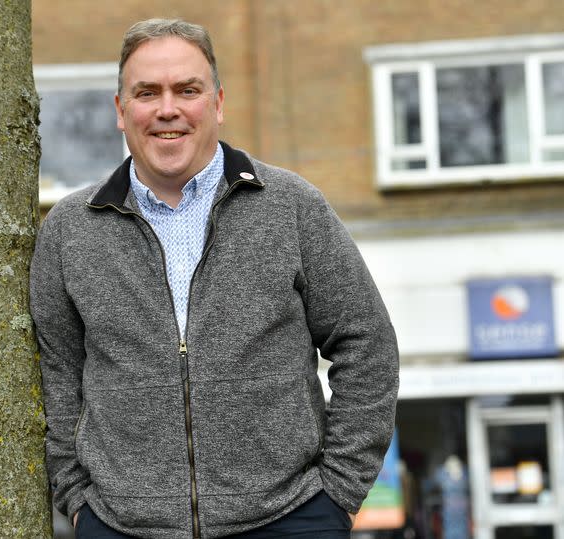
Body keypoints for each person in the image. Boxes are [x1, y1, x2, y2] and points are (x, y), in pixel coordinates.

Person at [30, 18, 399, 539]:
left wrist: (338, 491)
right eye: (146, 92)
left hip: (289, 519)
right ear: (120, 110)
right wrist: (75, 498)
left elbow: (368, 346)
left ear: (218, 103)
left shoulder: (290, 207)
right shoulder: (70, 229)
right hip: (123, 527)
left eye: (187, 90)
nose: (167, 109)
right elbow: (58, 372)